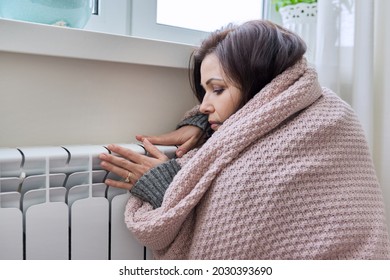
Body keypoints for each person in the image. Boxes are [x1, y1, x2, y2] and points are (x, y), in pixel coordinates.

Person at [99, 20, 390, 259]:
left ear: (259, 83)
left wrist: (170, 187)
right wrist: (208, 123)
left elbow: (236, 222)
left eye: (217, 89)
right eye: (205, 92)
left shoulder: (331, 118)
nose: (203, 105)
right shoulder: (283, 111)